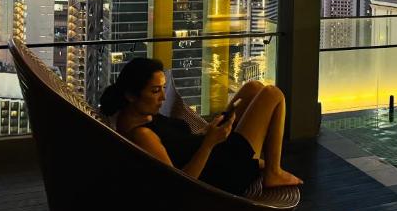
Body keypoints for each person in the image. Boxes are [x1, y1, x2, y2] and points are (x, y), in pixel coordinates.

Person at [100, 57, 302, 195]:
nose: (163, 97)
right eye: (155, 91)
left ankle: (261, 163)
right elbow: (180, 186)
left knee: (253, 88)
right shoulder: (143, 135)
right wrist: (209, 143)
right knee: (273, 95)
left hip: (211, 150)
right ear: (131, 95)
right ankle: (273, 172)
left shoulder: (136, 115)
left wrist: (207, 131)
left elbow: (178, 145)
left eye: (162, 88)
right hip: (220, 173)